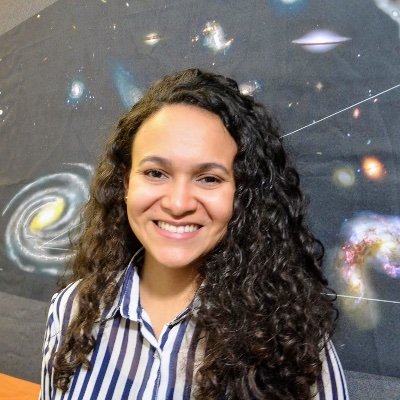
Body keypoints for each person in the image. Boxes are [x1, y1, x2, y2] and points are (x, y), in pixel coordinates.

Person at [40, 69, 348, 400]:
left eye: (209, 178)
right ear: (126, 183)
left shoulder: (291, 339)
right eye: (156, 173)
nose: (178, 204)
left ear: (242, 194)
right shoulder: (71, 310)